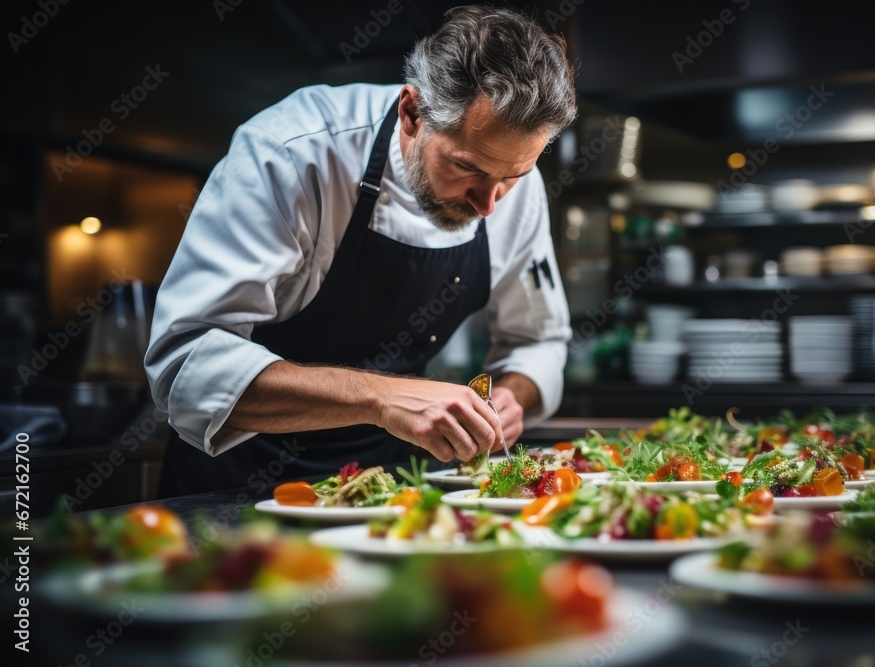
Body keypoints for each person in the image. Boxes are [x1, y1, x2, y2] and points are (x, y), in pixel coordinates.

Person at [145, 6, 577, 496]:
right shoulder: (292, 153)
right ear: (412, 113)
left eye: (511, 179)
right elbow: (186, 365)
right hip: (232, 490)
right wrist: (380, 397)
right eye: (467, 168)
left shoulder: (517, 183)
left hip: (388, 495)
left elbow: (538, 341)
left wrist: (511, 396)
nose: (489, 204)